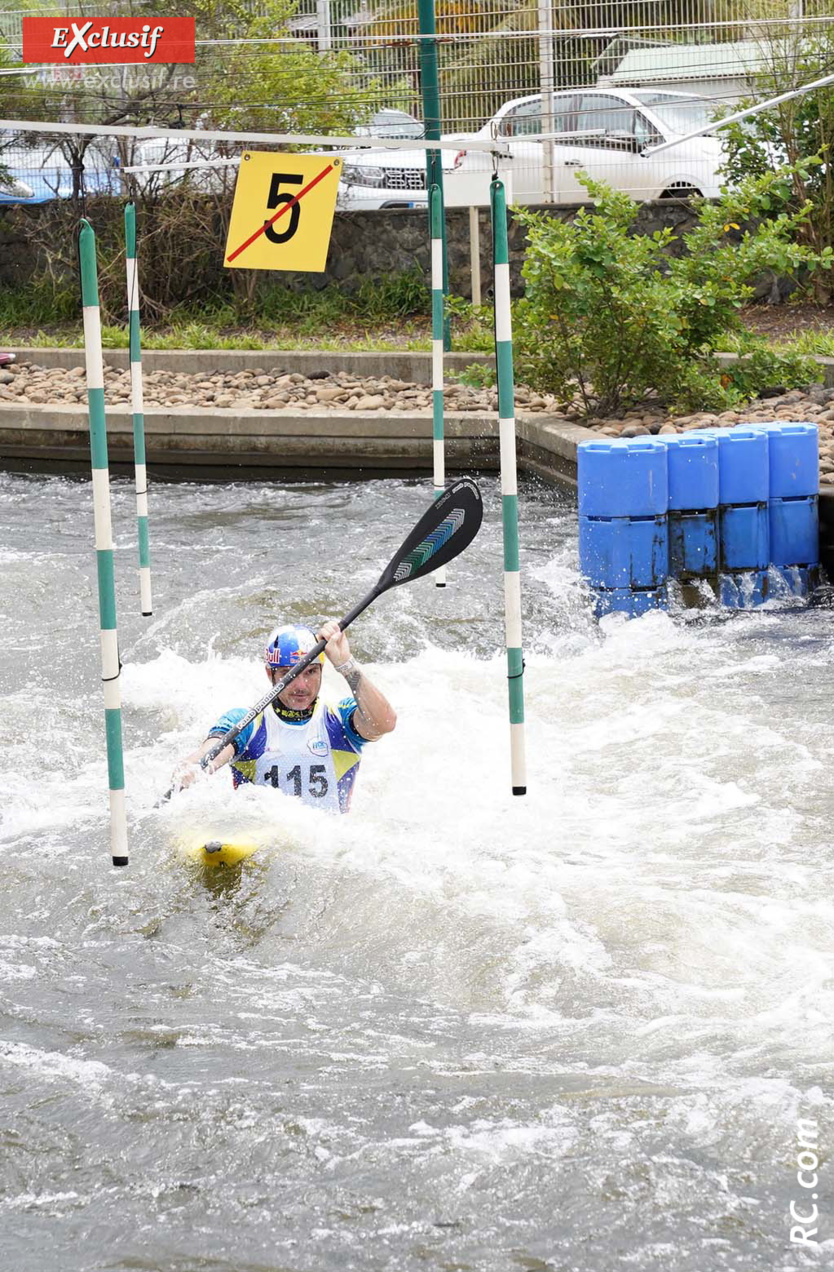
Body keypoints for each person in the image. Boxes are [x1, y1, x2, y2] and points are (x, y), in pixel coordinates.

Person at [174, 621, 396, 813]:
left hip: (328, 841)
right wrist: (191, 768)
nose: (301, 686)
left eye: (310, 672)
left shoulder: (340, 718)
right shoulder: (248, 722)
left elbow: (385, 723)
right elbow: (209, 753)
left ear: (321, 670)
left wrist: (346, 665)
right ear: (270, 673)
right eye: (288, 673)